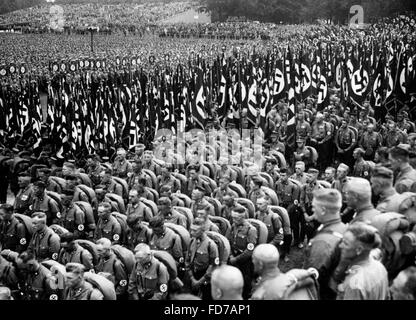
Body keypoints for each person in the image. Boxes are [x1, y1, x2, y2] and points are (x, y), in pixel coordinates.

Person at [303, 188, 347, 300]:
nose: (312, 210)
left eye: (314, 207)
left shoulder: (322, 243)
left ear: (323, 210)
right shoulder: (342, 227)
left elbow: (312, 280)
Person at [336, 222, 389, 300]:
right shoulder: (380, 267)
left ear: (359, 250)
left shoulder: (355, 283)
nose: (340, 246)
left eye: (345, 243)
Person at [186, 217, 219, 299]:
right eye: (191, 229)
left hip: (206, 277)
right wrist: (192, 278)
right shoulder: (192, 241)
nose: (191, 232)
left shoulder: (211, 245)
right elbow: (187, 261)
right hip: (194, 274)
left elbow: (213, 266)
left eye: (195, 230)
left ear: (203, 230)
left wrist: (199, 282)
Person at [227, 206, 257, 299]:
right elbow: (229, 241)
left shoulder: (251, 230)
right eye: (233, 217)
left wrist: (235, 259)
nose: (233, 220)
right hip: (233, 257)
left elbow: (249, 251)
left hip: (245, 261)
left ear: (243, 217)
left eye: (236, 218)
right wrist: (231, 255)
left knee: (245, 283)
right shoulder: (233, 226)